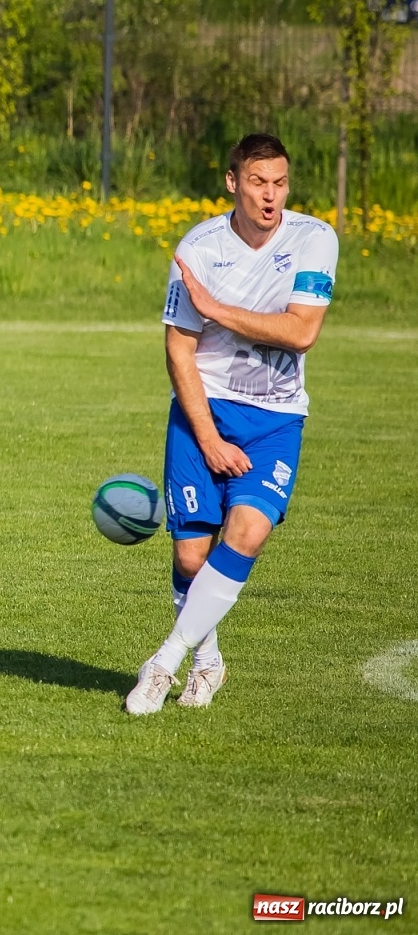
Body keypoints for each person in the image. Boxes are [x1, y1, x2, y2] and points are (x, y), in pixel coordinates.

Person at [124, 134, 338, 715]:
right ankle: (208, 661)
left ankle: (163, 663)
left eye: (280, 183)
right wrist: (211, 438)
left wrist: (217, 310)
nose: (271, 196)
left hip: (275, 419)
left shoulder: (315, 239)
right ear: (232, 183)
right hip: (204, 411)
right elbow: (178, 352)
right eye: (258, 182)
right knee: (191, 558)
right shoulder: (198, 249)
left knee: (247, 532)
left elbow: (301, 333)